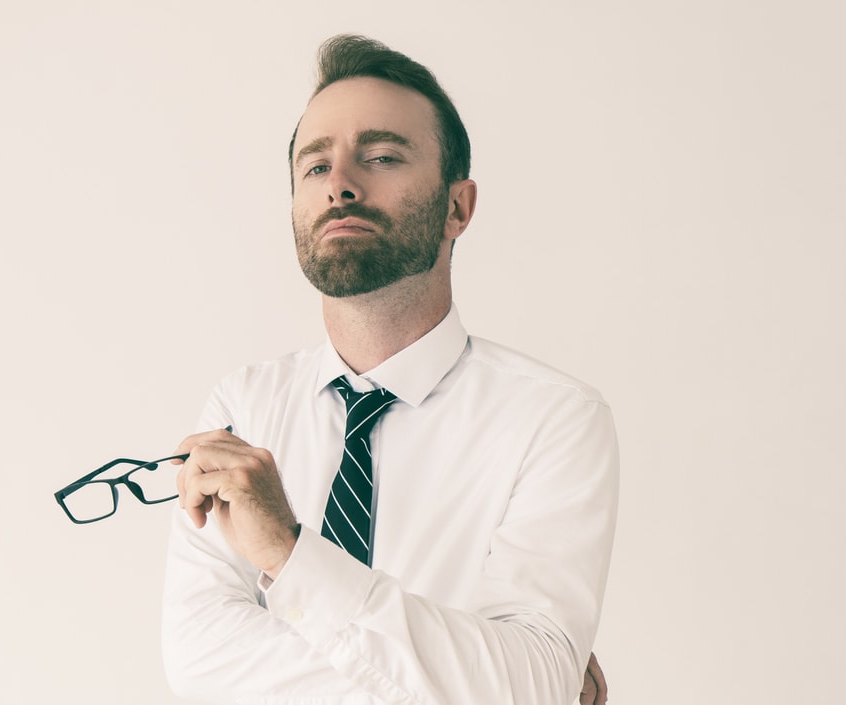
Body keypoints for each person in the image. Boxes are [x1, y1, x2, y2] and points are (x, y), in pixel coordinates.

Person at [163, 34, 618, 705]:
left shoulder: (554, 420)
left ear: (457, 207)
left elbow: (531, 680)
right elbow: (199, 663)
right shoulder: (243, 406)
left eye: (381, 156)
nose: (341, 182)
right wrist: (468, 676)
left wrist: (290, 555)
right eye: (315, 167)